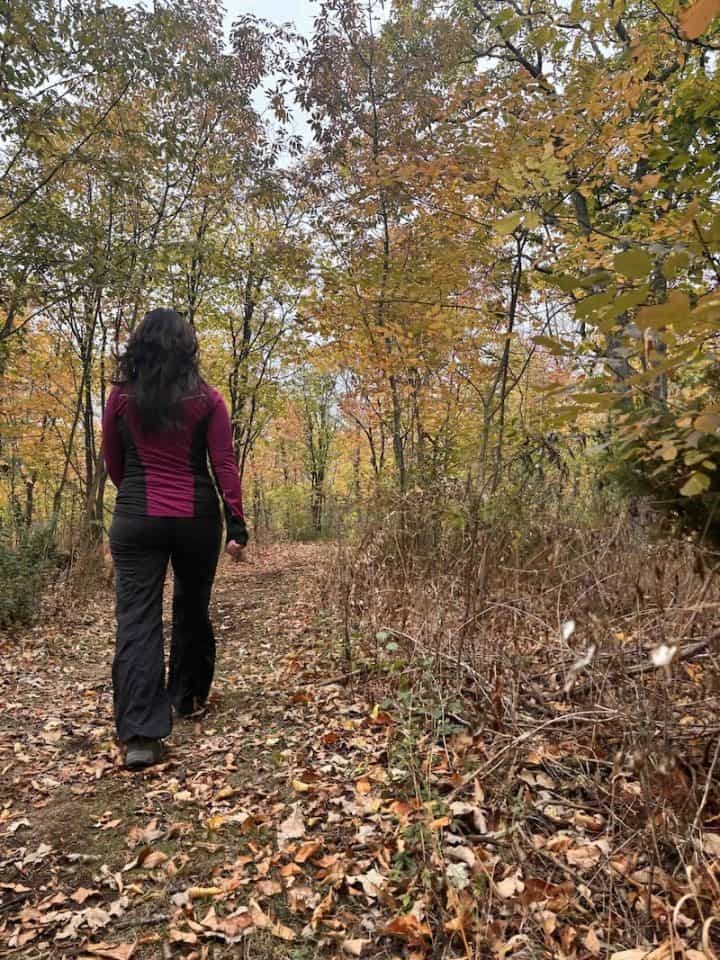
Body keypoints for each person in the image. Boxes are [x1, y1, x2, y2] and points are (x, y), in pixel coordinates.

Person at [102, 308, 248, 771]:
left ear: (140, 346)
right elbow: (224, 464)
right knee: (191, 604)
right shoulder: (208, 399)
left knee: (137, 618)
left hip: (136, 516)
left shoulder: (120, 398)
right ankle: (186, 697)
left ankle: (142, 735)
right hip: (196, 519)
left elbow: (114, 463)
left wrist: (137, 498)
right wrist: (237, 523)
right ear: (187, 347)